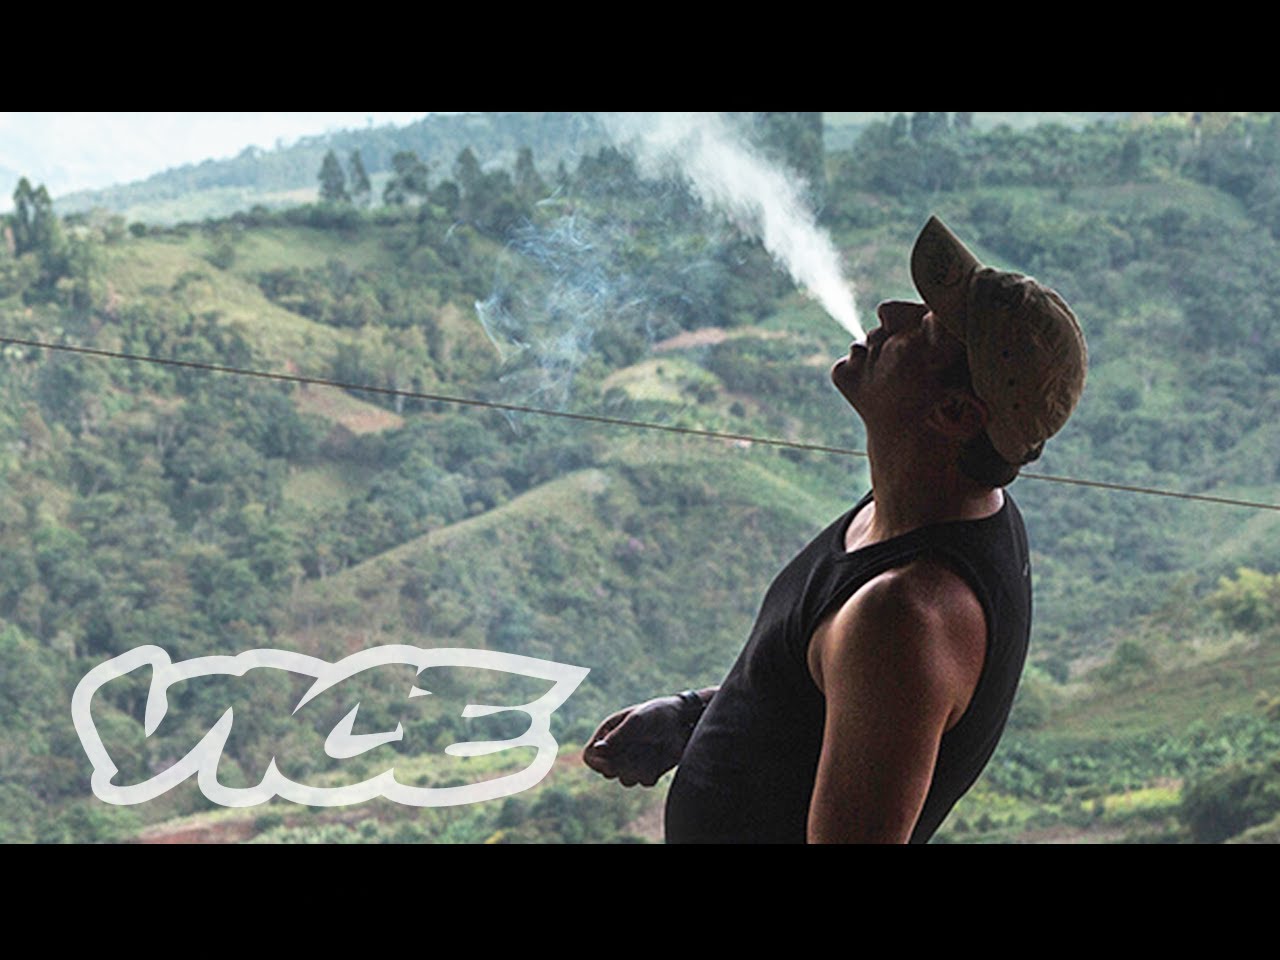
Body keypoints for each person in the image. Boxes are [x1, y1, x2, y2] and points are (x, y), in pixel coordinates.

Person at [582, 215, 1088, 843]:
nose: (893, 313)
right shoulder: (919, 508)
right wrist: (694, 717)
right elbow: (834, 701)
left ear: (956, 412)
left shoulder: (906, 615)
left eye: (929, 327)